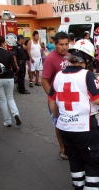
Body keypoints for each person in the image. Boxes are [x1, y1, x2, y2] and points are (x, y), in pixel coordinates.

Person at [48, 39, 99, 190]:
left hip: (65, 127)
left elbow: (51, 100)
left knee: (75, 161)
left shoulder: (59, 75)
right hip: (84, 127)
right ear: (86, 59)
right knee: (94, 161)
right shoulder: (87, 75)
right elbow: (97, 98)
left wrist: (57, 116)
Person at [42, 32, 71, 160]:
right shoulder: (50, 59)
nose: (64, 47)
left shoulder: (70, 56)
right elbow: (44, 81)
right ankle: (62, 148)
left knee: (71, 124)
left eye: (66, 44)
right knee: (60, 124)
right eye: (61, 45)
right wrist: (54, 98)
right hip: (57, 99)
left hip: (71, 98)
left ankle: (71, 147)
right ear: (54, 44)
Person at [0, 36, 22, 127]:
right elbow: (14, 67)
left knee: (2, 100)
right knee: (10, 98)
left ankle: (7, 121)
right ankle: (16, 114)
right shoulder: (8, 53)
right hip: (9, 77)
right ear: (3, 43)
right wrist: (13, 73)